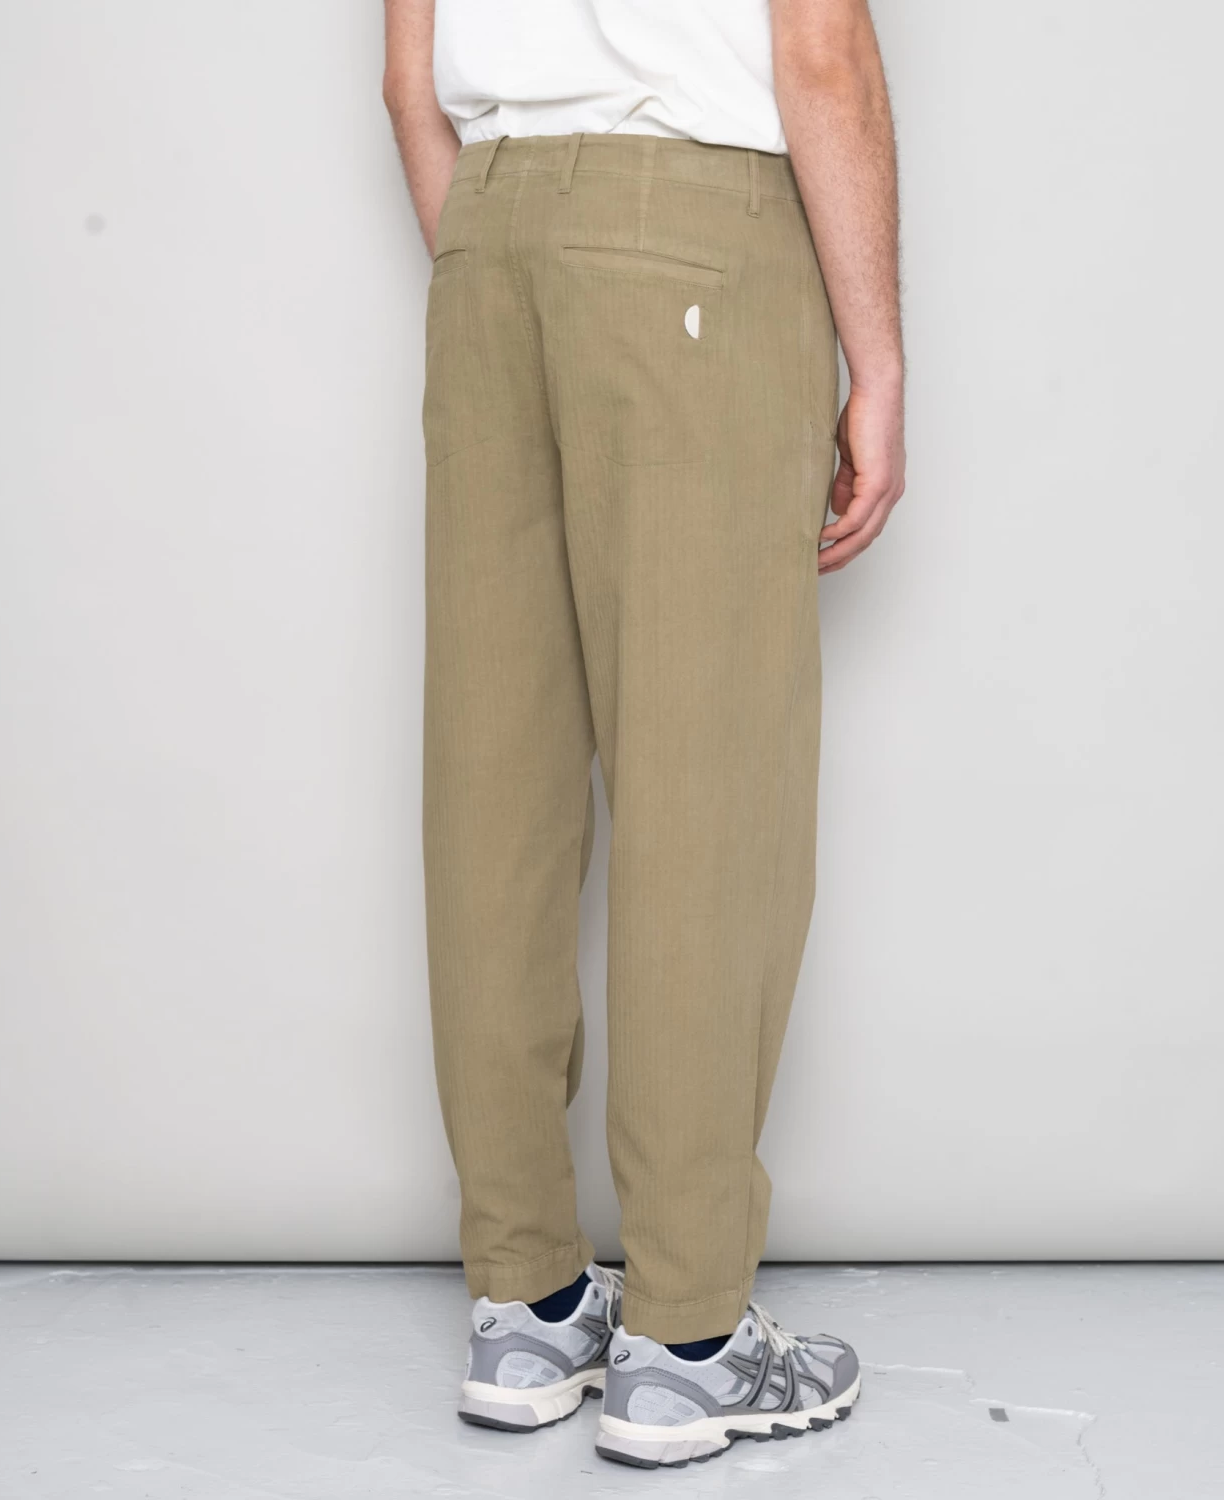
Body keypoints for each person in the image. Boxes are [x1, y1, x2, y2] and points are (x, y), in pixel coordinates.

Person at [383, 0, 904, 1468]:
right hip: (695, 225)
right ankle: (685, 1337)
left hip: (487, 243)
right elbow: (819, 47)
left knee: (494, 785)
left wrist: (510, 262)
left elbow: (408, 82)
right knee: (704, 781)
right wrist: (879, 364)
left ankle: (525, 1300)